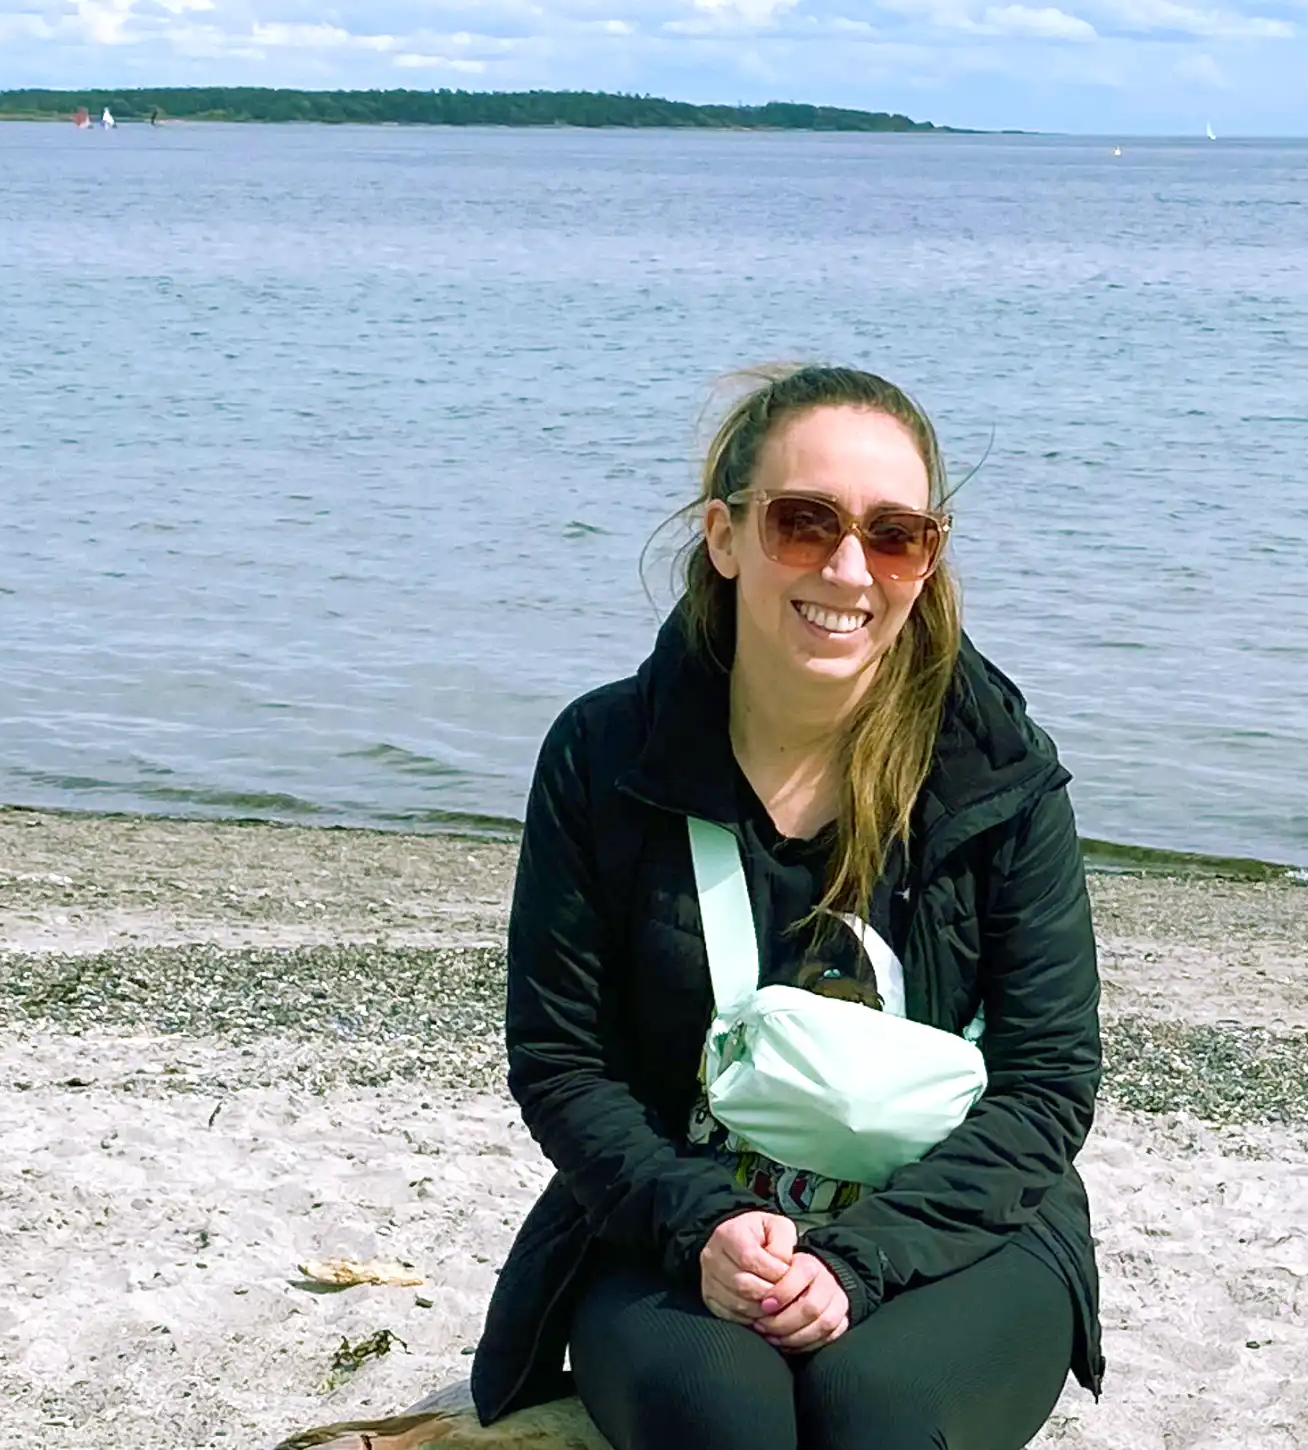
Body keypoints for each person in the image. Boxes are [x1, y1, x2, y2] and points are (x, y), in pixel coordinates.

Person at [468, 365, 1104, 1449]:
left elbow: (1048, 1084)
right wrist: (705, 1224)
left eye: (892, 533)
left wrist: (858, 1261)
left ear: (927, 558)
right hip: (676, 1217)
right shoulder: (604, 756)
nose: (849, 568)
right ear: (724, 535)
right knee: (727, 1415)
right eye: (804, 523)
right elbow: (563, 1062)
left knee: (878, 1405)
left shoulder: (996, 771)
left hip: (957, 1222)